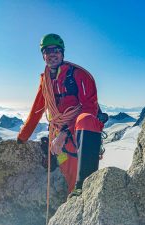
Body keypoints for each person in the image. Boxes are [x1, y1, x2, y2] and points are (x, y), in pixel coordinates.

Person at [17, 33, 105, 197]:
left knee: (85, 120)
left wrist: (64, 133)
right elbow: (36, 110)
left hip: (80, 132)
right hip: (58, 132)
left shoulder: (79, 75)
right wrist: (22, 138)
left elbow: (89, 109)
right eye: (47, 51)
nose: (52, 54)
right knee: (65, 165)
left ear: (62, 53)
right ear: (43, 55)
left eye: (56, 50)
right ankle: (65, 174)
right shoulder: (45, 81)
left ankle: (82, 189)